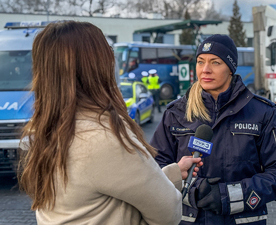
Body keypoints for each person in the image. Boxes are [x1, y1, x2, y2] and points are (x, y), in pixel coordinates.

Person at [18, 21, 204, 225]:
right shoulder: (102, 137)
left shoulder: (44, 130)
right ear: (95, 67)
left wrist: (172, 174)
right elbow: (168, 213)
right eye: (109, 52)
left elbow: (104, 190)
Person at [150, 34, 276, 225]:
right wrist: (192, 189)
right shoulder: (176, 112)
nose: (206, 70)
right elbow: (153, 169)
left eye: (215, 62)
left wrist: (228, 196)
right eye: (200, 62)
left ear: (230, 68)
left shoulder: (262, 113)